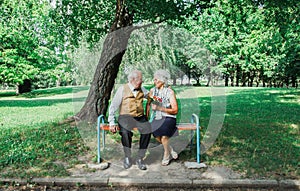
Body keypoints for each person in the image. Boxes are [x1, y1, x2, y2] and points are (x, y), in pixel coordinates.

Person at [108, 70, 151, 170]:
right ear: (132, 80)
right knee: (125, 132)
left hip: (139, 116)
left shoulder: (142, 89)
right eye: (140, 79)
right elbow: (113, 106)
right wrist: (112, 122)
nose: (142, 81)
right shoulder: (122, 89)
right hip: (125, 117)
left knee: (147, 129)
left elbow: (151, 97)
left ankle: (140, 158)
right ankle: (127, 157)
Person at [146, 69, 179, 166]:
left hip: (169, 117)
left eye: (156, 79)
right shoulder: (152, 91)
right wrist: (146, 117)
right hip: (157, 117)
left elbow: (175, 110)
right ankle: (170, 149)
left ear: (162, 81)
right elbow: (148, 104)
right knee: (156, 134)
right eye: (154, 79)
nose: (154, 81)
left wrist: (160, 108)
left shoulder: (170, 92)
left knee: (164, 135)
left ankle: (166, 154)